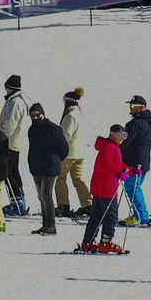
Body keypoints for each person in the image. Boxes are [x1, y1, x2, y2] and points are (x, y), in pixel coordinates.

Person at [78, 125, 130, 254]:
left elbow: (115, 164)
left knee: (97, 216)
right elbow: (107, 164)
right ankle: (105, 243)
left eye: (124, 136)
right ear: (114, 135)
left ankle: (88, 242)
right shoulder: (110, 147)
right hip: (107, 187)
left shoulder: (109, 146)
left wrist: (131, 170)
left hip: (100, 186)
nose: (122, 139)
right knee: (111, 217)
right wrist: (119, 172)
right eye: (121, 136)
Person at [26, 102, 67, 235]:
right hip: (36, 167)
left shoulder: (54, 129)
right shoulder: (32, 129)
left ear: (43, 114)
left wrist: (55, 160)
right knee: (41, 197)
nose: (35, 118)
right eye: (32, 115)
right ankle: (45, 225)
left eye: (37, 115)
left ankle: (51, 226)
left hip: (50, 167)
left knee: (46, 196)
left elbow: (64, 149)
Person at [120, 95, 151, 227]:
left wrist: (117, 152)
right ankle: (139, 215)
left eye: (132, 106)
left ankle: (142, 217)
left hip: (133, 162)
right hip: (144, 161)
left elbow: (126, 142)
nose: (130, 108)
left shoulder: (135, 124)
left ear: (141, 107)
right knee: (134, 188)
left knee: (133, 188)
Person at [0, 76, 31, 215]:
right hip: (12, 142)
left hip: (9, 142)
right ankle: (18, 201)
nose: (5, 89)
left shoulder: (16, 102)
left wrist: (0, 136)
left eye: (7, 87)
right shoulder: (13, 100)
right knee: (13, 172)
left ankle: (17, 203)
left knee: (8, 173)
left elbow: (10, 123)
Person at [57, 89, 92, 217]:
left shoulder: (70, 116)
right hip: (80, 153)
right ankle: (87, 204)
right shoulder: (79, 114)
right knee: (78, 179)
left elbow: (65, 135)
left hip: (69, 153)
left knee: (60, 178)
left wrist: (58, 148)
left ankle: (63, 205)